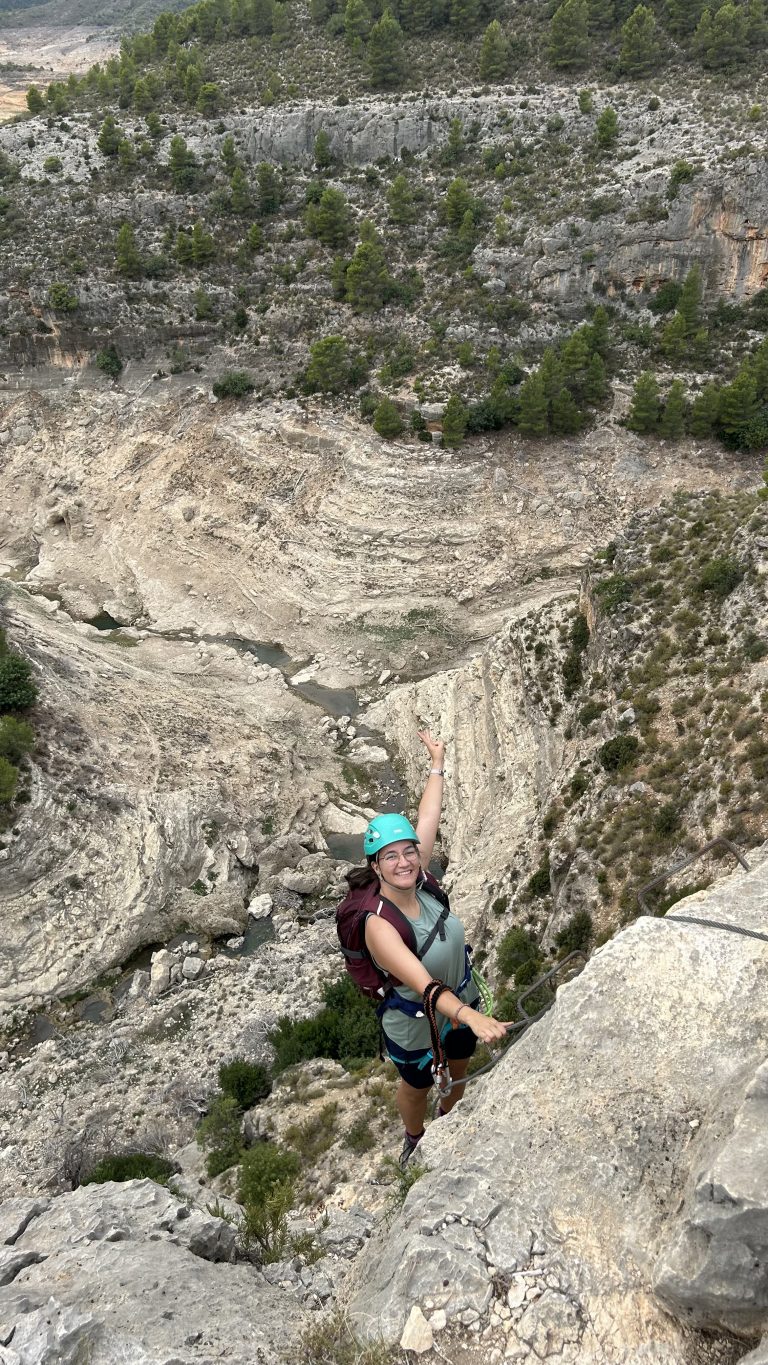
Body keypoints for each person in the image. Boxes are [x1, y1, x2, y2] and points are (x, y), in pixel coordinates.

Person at [358, 729, 508, 1165]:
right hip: (416, 1020)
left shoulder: (420, 878)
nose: (404, 861)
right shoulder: (379, 925)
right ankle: (416, 1137)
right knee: (415, 1085)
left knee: (458, 1068)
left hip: (460, 999)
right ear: (374, 867)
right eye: (391, 856)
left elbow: (429, 815)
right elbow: (423, 986)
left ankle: (449, 1116)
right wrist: (472, 1016)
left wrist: (437, 763)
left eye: (409, 852)